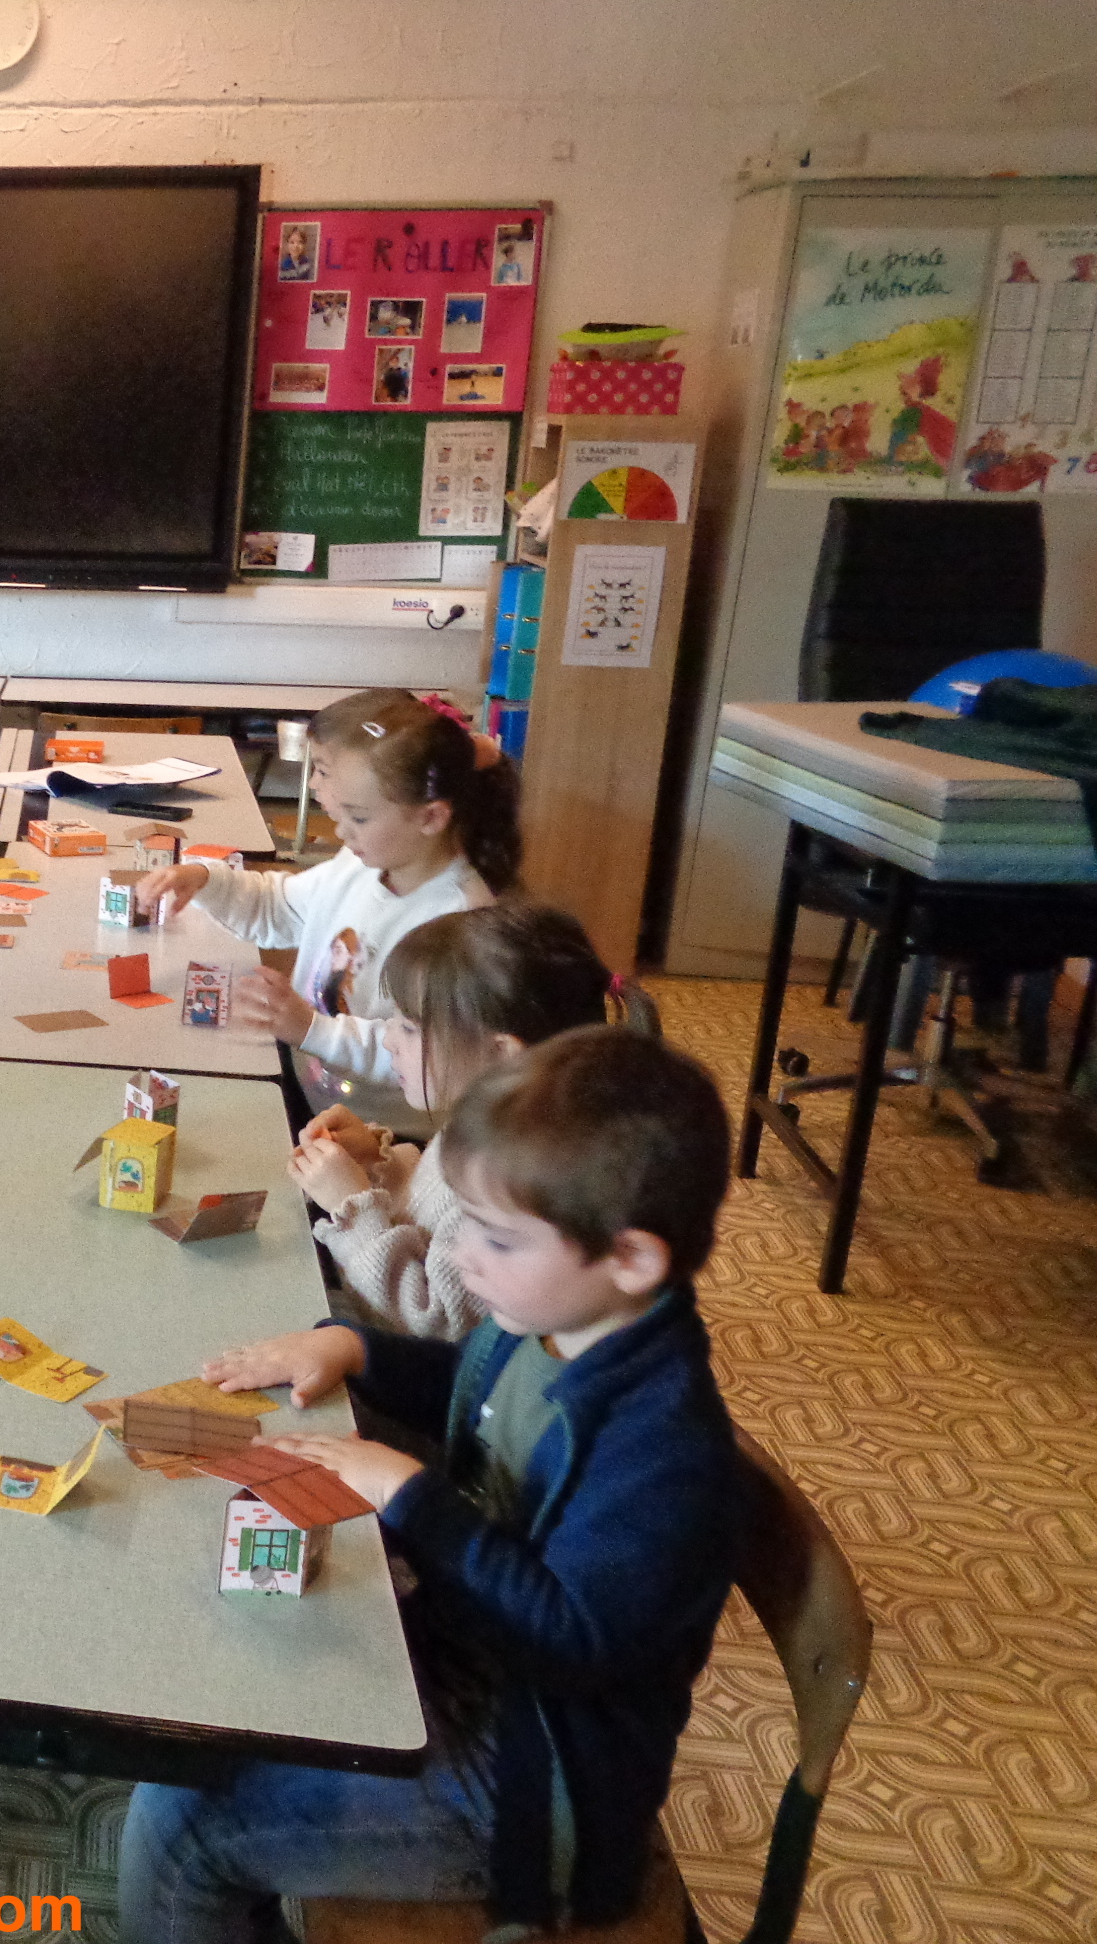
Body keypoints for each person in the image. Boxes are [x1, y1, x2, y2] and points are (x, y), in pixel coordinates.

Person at [122, 1027, 738, 1942]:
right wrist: (356, 1348)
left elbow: (571, 1643)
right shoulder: (562, 1321)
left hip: (532, 1784)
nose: (464, 1258)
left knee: (184, 1824)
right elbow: (475, 1388)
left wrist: (412, 1497)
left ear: (633, 1259)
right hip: (457, 1659)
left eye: (497, 1239)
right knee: (221, 1691)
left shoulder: (666, 1451)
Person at [132, 689, 521, 1132]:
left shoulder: (461, 917)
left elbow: (436, 1050)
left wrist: (311, 1029)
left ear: (431, 817)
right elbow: (281, 908)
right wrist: (206, 879)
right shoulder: (362, 862)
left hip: (382, 1134)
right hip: (313, 1087)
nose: (341, 832)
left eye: (359, 819)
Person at [291, 901, 652, 1339]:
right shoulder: (486, 1118)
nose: (388, 1039)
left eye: (409, 1027)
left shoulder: (510, 1180)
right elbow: (426, 1213)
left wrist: (353, 1205)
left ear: (502, 1055)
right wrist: (375, 1163)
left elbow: (433, 1319)